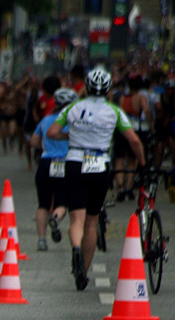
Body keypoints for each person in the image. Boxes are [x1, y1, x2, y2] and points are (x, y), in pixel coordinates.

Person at [48, 67, 144, 291]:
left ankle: (75, 248)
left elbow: (51, 132)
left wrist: (70, 135)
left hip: (74, 160)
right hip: (99, 164)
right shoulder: (114, 111)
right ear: (108, 89)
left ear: (86, 87)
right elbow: (135, 141)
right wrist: (142, 164)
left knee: (76, 220)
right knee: (92, 222)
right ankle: (83, 270)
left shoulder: (73, 107)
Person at [30, 88, 78, 251]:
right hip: (66, 163)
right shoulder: (75, 123)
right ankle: (56, 219)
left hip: (46, 162)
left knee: (43, 204)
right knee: (62, 201)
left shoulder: (46, 120)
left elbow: (34, 142)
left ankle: (41, 239)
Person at [113, 74, 152, 200]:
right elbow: (146, 111)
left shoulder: (122, 98)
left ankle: (120, 187)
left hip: (120, 129)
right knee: (132, 159)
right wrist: (150, 124)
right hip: (134, 129)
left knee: (119, 158)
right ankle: (129, 187)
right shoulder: (141, 98)